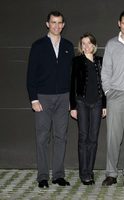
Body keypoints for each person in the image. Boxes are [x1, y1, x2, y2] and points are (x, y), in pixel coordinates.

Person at [26, 11, 74, 188]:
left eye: (60, 23)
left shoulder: (68, 46)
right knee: (42, 138)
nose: (56, 25)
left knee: (61, 137)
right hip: (43, 98)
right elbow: (31, 75)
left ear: (63, 25)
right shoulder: (38, 46)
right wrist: (33, 99)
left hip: (63, 97)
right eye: (53, 22)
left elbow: (71, 75)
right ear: (47, 24)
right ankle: (43, 177)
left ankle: (58, 175)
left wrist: (71, 99)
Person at [101, 10, 124, 186]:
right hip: (115, 95)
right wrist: (108, 92)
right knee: (113, 137)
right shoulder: (111, 44)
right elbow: (106, 71)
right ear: (119, 23)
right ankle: (111, 173)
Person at [70, 33, 106, 185]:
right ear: (81, 46)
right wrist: (73, 106)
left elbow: (105, 85)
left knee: (93, 138)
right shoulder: (76, 61)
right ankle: (83, 173)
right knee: (83, 138)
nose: (86, 46)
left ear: (94, 45)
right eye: (83, 43)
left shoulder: (100, 61)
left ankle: (89, 170)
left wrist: (104, 105)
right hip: (82, 103)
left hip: (97, 103)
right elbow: (71, 84)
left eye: (89, 43)